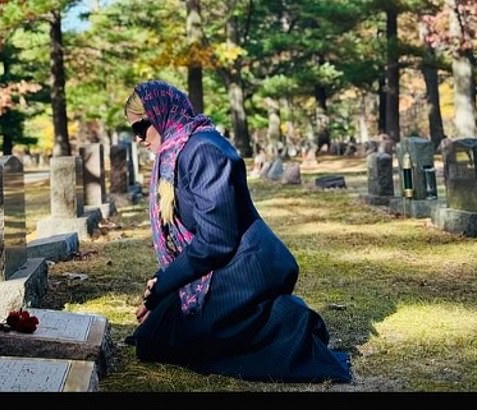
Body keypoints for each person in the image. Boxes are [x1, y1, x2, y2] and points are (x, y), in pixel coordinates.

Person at [124, 80, 351, 383]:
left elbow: (217, 240)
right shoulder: (174, 154)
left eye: (141, 127)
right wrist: (162, 292)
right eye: (133, 131)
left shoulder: (203, 150)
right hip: (216, 268)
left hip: (242, 267)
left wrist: (164, 285)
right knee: (151, 339)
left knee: (191, 340)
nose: (138, 139)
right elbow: (184, 240)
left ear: (162, 113)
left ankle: (289, 322)